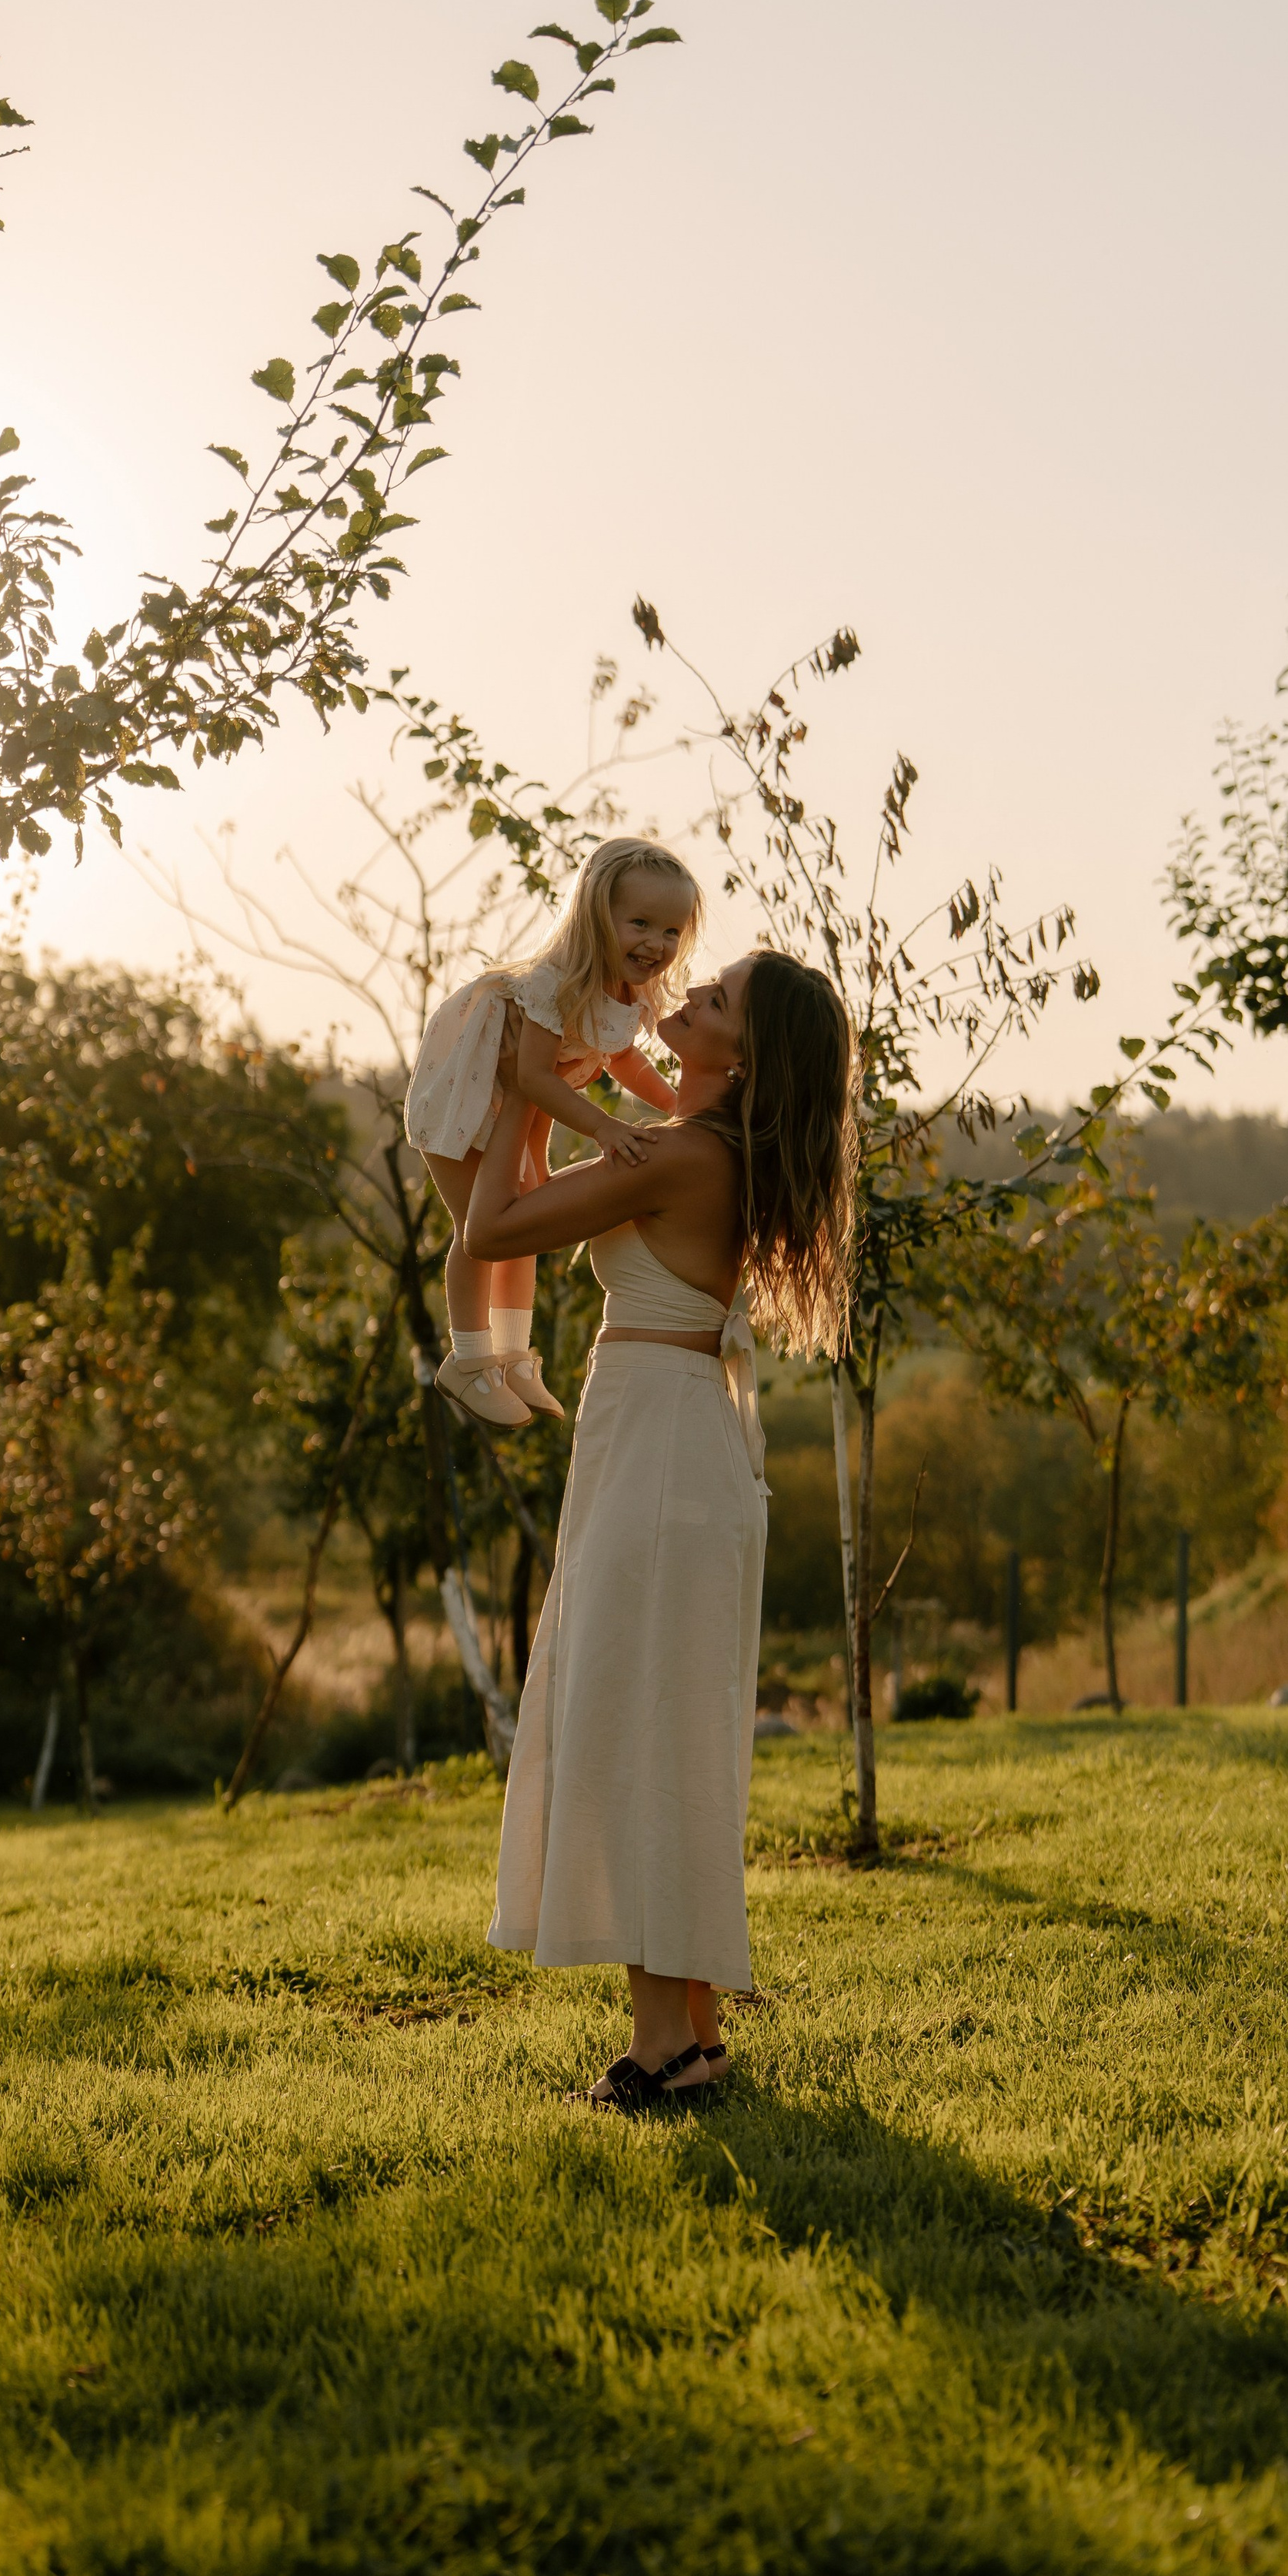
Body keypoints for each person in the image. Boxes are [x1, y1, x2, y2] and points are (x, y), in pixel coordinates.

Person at [465, 947, 856, 2107]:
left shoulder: (685, 1157)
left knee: (637, 1733)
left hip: (663, 1459)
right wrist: (560, 1089)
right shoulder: (699, 1147)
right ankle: (691, 2029)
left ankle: (664, 2051)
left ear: (742, 1056)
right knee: (666, 1734)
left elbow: (492, 1230)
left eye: (716, 1000)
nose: (686, 998)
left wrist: (514, 1091)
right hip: (666, 1447)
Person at [403, 837, 699, 1431]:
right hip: (466, 1089)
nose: (655, 944)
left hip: (517, 1099)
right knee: (478, 1229)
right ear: (597, 916)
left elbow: (619, 1057)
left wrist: (676, 1103)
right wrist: (604, 1128)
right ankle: (467, 1360)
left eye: (671, 931)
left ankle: (513, 1354)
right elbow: (533, 1076)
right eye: (639, 923)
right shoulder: (554, 983)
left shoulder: (630, 990)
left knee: (524, 1226)